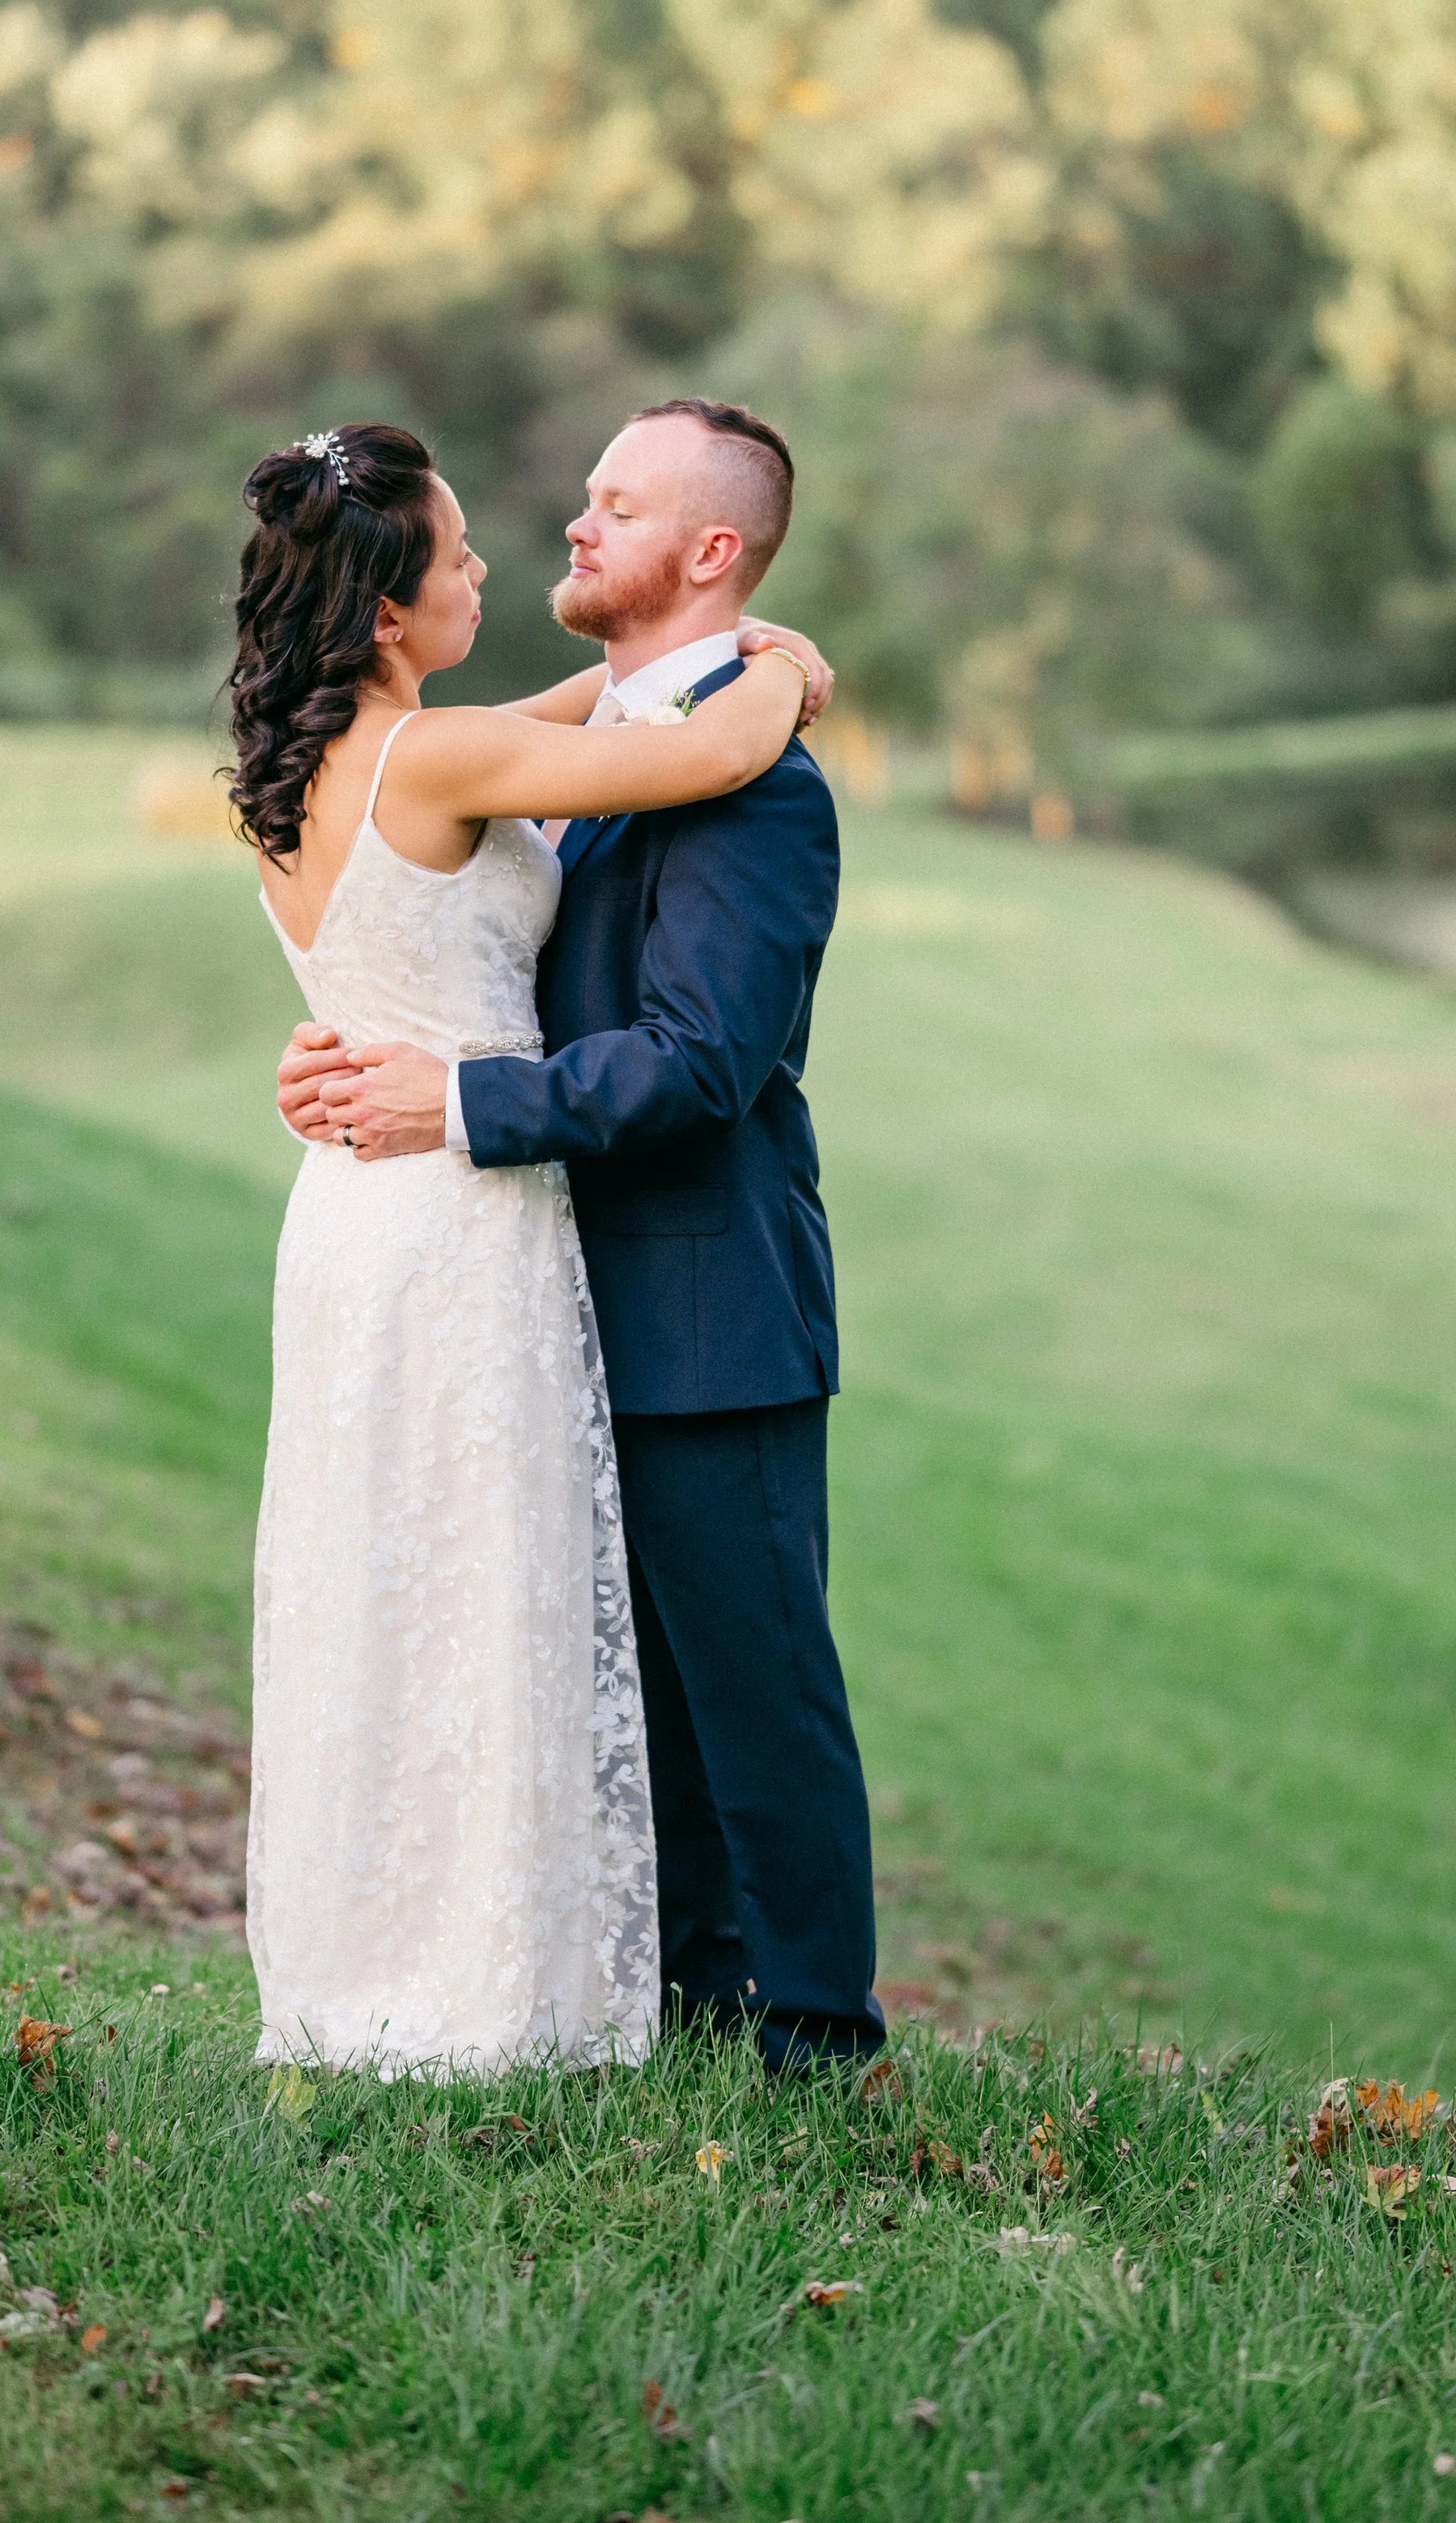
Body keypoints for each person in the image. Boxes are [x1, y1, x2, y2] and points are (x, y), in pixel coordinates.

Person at [277, 398, 885, 2073]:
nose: (567, 526)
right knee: (637, 1711)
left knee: (752, 1699)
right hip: (524, 1300)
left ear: (707, 551)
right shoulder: (584, 747)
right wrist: (367, 1040)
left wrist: (446, 1098)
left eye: (613, 505)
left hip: (702, 1306)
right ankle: (679, 2012)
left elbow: (700, 1060)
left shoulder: (759, 793)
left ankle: (815, 2043)